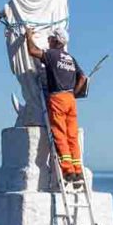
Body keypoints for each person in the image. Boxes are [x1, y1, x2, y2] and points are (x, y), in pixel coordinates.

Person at [25, 26, 88, 188]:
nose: (48, 40)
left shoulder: (52, 55)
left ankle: (68, 171)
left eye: (50, 38)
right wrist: (74, 92)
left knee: (60, 133)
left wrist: (28, 36)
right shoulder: (70, 58)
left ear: (55, 40)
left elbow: (33, 51)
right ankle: (78, 169)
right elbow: (83, 77)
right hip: (70, 100)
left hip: (58, 98)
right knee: (72, 135)